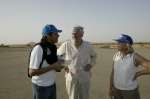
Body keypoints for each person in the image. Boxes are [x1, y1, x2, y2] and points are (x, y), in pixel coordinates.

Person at [57, 25, 97, 99]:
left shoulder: (88, 45)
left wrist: (90, 64)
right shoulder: (66, 44)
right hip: (71, 77)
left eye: (76, 33)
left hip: (85, 77)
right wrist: (63, 65)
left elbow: (94, 56)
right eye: (73, 33)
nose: (74, 35)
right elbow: (57, 56)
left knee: (84, 97)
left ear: (82, 34)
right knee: (72, 97)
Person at [109, 34, 150, 99]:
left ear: (127, 44)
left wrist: (139, 73)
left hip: (130, 91)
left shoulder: (134, 57)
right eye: (117, 42)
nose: (117, 44)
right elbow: (113, 72)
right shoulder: (116, 55)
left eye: (120, 42)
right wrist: (111, 87)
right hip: (116, 89)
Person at [29, 24, 64, 99]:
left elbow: (53, 64)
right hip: (41, 87)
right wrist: (53, 67)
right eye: (55, 34)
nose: (58, 36)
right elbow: (32, 72)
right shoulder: (39, 48)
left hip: (51, 84)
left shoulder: (53, 48)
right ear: (48, 35)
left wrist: (59, 66)